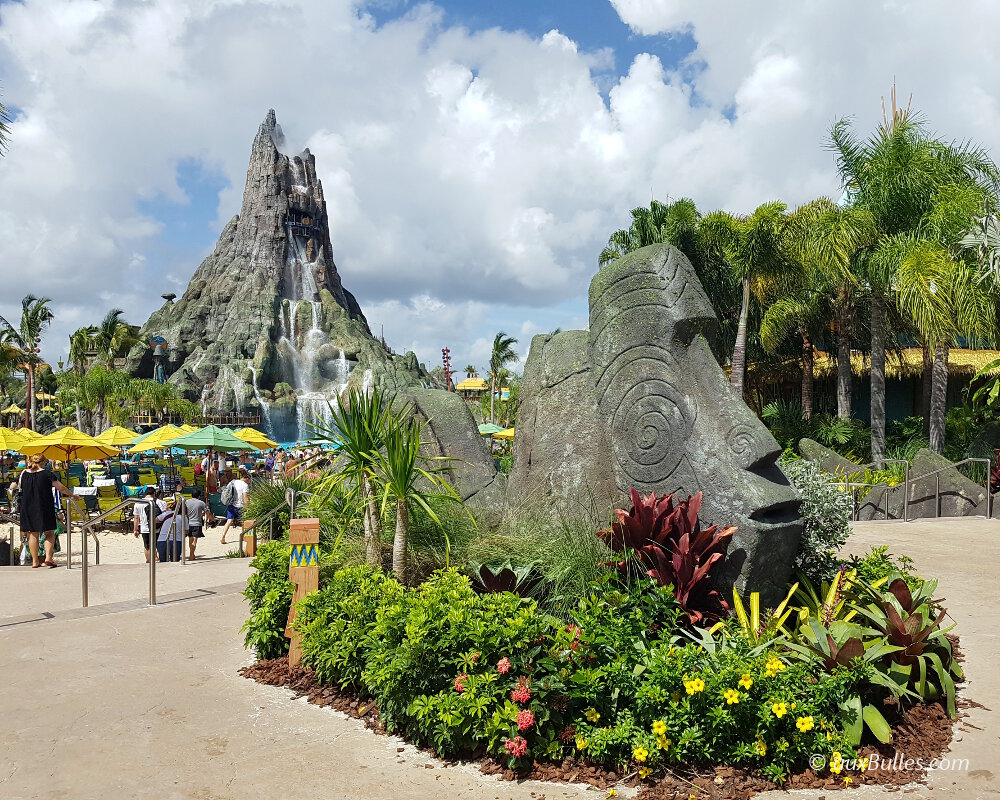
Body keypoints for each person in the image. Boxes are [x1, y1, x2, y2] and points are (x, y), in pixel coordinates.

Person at [19, 454, 74, 568]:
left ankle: (35, 561)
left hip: (28, 507)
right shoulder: (47, 474)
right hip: (44, 506)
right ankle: (48, 558)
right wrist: (72, 495)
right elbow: (61, 488)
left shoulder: (24, 474)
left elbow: (15, 487)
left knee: (33, 534)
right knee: (49, 532)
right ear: (43, 462)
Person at [133, 486, 168, 563]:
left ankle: (149, 561)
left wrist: (135, 529)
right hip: (157, 527)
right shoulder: (160, 502)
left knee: (147, 546)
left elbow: (136, 518)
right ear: (154, 493)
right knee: (157, 544)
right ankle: (157, 558)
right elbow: (164, 515)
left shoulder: (138, 503)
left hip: (144, 528)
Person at [219, 466, 250, 545]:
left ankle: (223, 536)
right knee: (244, 521)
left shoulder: (233, 482)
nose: (249, 483)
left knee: (229, 521)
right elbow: (245, 497)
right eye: (249, 481)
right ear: (247, 479)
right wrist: (248, 507)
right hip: (240, 506)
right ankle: (244, 536)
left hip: (231, 504)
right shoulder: (245, 485)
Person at [185, 487, 215, 560]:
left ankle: (191, 554)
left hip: (188, 523)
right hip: (197, 523)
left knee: (190, 539)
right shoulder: (201, 503)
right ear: (199, 496)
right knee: (195, 540)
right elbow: (207, 513)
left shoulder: (186, 502)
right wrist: (213, 519)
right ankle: (192, 555)